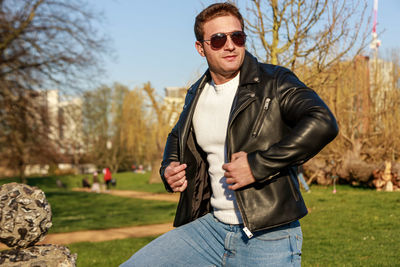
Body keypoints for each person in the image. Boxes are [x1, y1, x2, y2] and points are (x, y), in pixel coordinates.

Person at [121, 2, 338, 266]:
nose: (230, 45)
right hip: (210, 230)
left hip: (269, 235)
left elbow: (323, 121)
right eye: (218, 39)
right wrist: (168, 167)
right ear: (201, 48)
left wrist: (258, 166)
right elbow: (177, 136)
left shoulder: (275, 80)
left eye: (237, 36)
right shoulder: (197, 92)